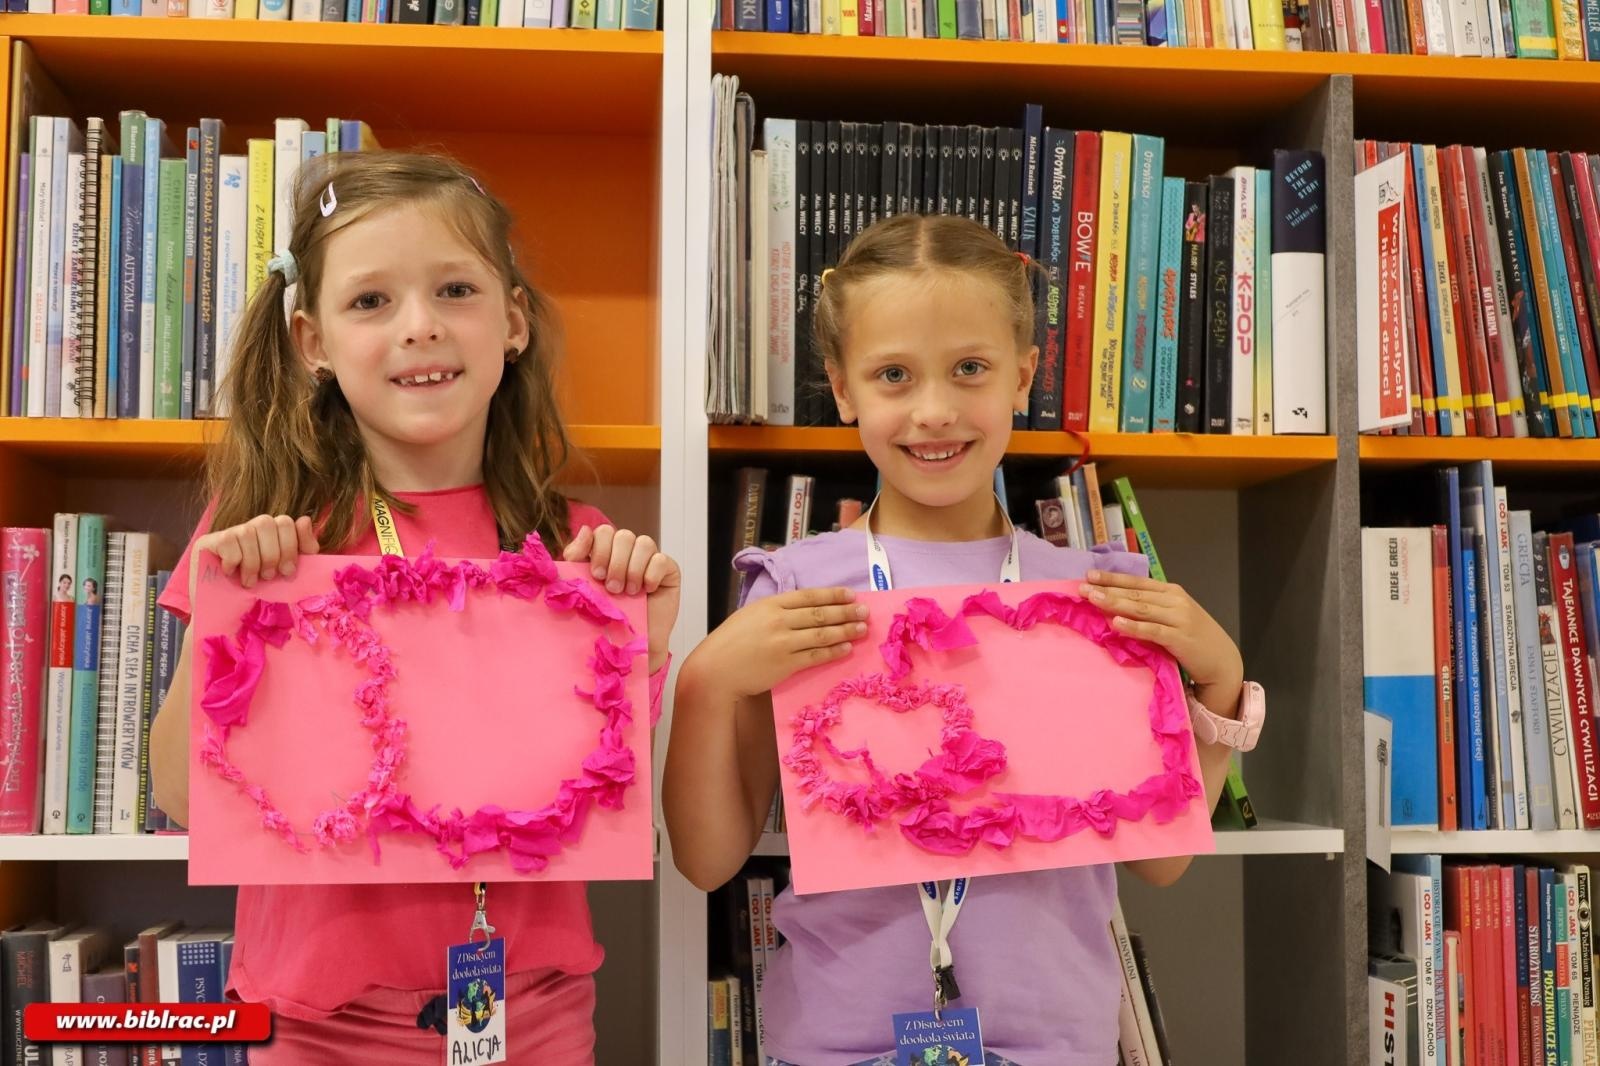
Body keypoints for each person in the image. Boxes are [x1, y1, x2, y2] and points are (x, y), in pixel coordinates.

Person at [663, 212, 1265, 1066]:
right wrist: (707, 680)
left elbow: (1161, 866)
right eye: (894, 376)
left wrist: (1224, 678)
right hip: (838, 1046)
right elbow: (709, 859)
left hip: (1056, 1047)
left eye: (970, 369)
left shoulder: (1095, 593)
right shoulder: (799, 588)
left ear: (1023, 376)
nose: (935, 411)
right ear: (843, 390)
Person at [148, 150, 679, 1065]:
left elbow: (604, 799)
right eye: (371, 302)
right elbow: (176, 794)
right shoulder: (267, 542)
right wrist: (228, 617)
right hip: (316, 1023)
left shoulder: (574, 549)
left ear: (512, 322)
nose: (420, 328)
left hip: (532, 1012)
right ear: (313, 343)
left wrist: (646, 646)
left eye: (456, 291)